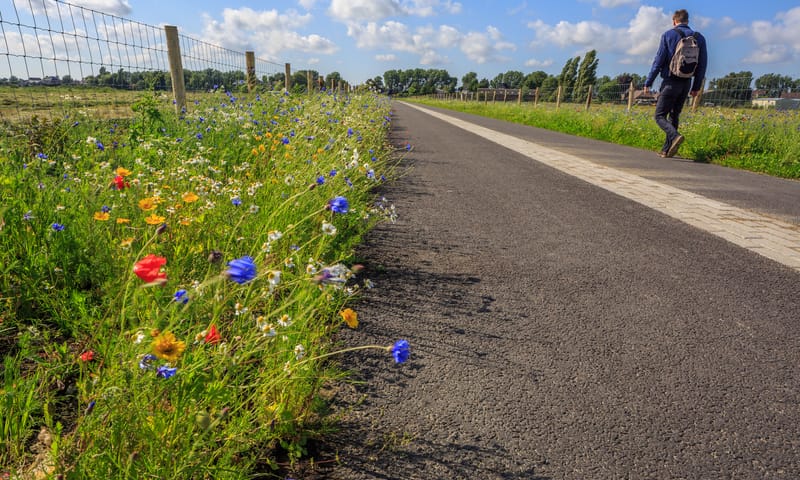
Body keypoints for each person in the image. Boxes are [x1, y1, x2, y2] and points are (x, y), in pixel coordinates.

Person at [644, 9, 707, 158]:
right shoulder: (700, 38)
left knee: (659, 116)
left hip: (670, 82)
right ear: (687, 20)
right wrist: (696, 86)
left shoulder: (668, 35)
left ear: (674, 21)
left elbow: (658, 61)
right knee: (674, 115)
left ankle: (675, 136)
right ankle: (667, 150)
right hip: (686, 83)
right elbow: (702, 64)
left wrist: (648, 82)